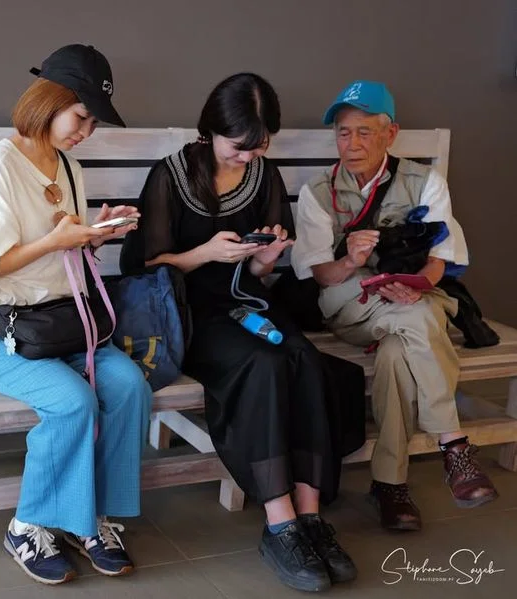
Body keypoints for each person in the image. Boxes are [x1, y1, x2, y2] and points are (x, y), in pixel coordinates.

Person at [121, 73, 357, 593]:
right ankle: (280, 524)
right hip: (186, 313)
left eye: (259, 146)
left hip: (246, 301)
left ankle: (312, 518)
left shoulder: (263, 176)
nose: (248, 157)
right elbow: (145, 263)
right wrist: (207, 252)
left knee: (303, 360)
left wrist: (266, 259)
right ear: (210, 131)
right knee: (264, 364)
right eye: (239, 147)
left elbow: (256, 275)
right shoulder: (171, 175)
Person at [0, 44, 152, 585]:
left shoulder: (68, 165)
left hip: (63, 324)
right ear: (49, 100)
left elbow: (67, 251)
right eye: (80, 116)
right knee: (72, 401)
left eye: (92, 121)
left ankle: (87, 519)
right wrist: (56, 240)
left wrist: (95, 232)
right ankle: (28, 524)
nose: (85, 130)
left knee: (130, 387)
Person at [291, 80, 498, 533]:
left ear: (391, 133)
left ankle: (390, 485)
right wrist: (351, 259)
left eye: (365, 131)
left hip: (413, 299)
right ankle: (454, 444)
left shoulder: (424, 181)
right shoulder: (318, 191)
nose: (353, 143)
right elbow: (319, 275)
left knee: (398, 351)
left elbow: (441, 260)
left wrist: (416, 285)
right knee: (419, 320)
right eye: (344, 133)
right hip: (350, 306)